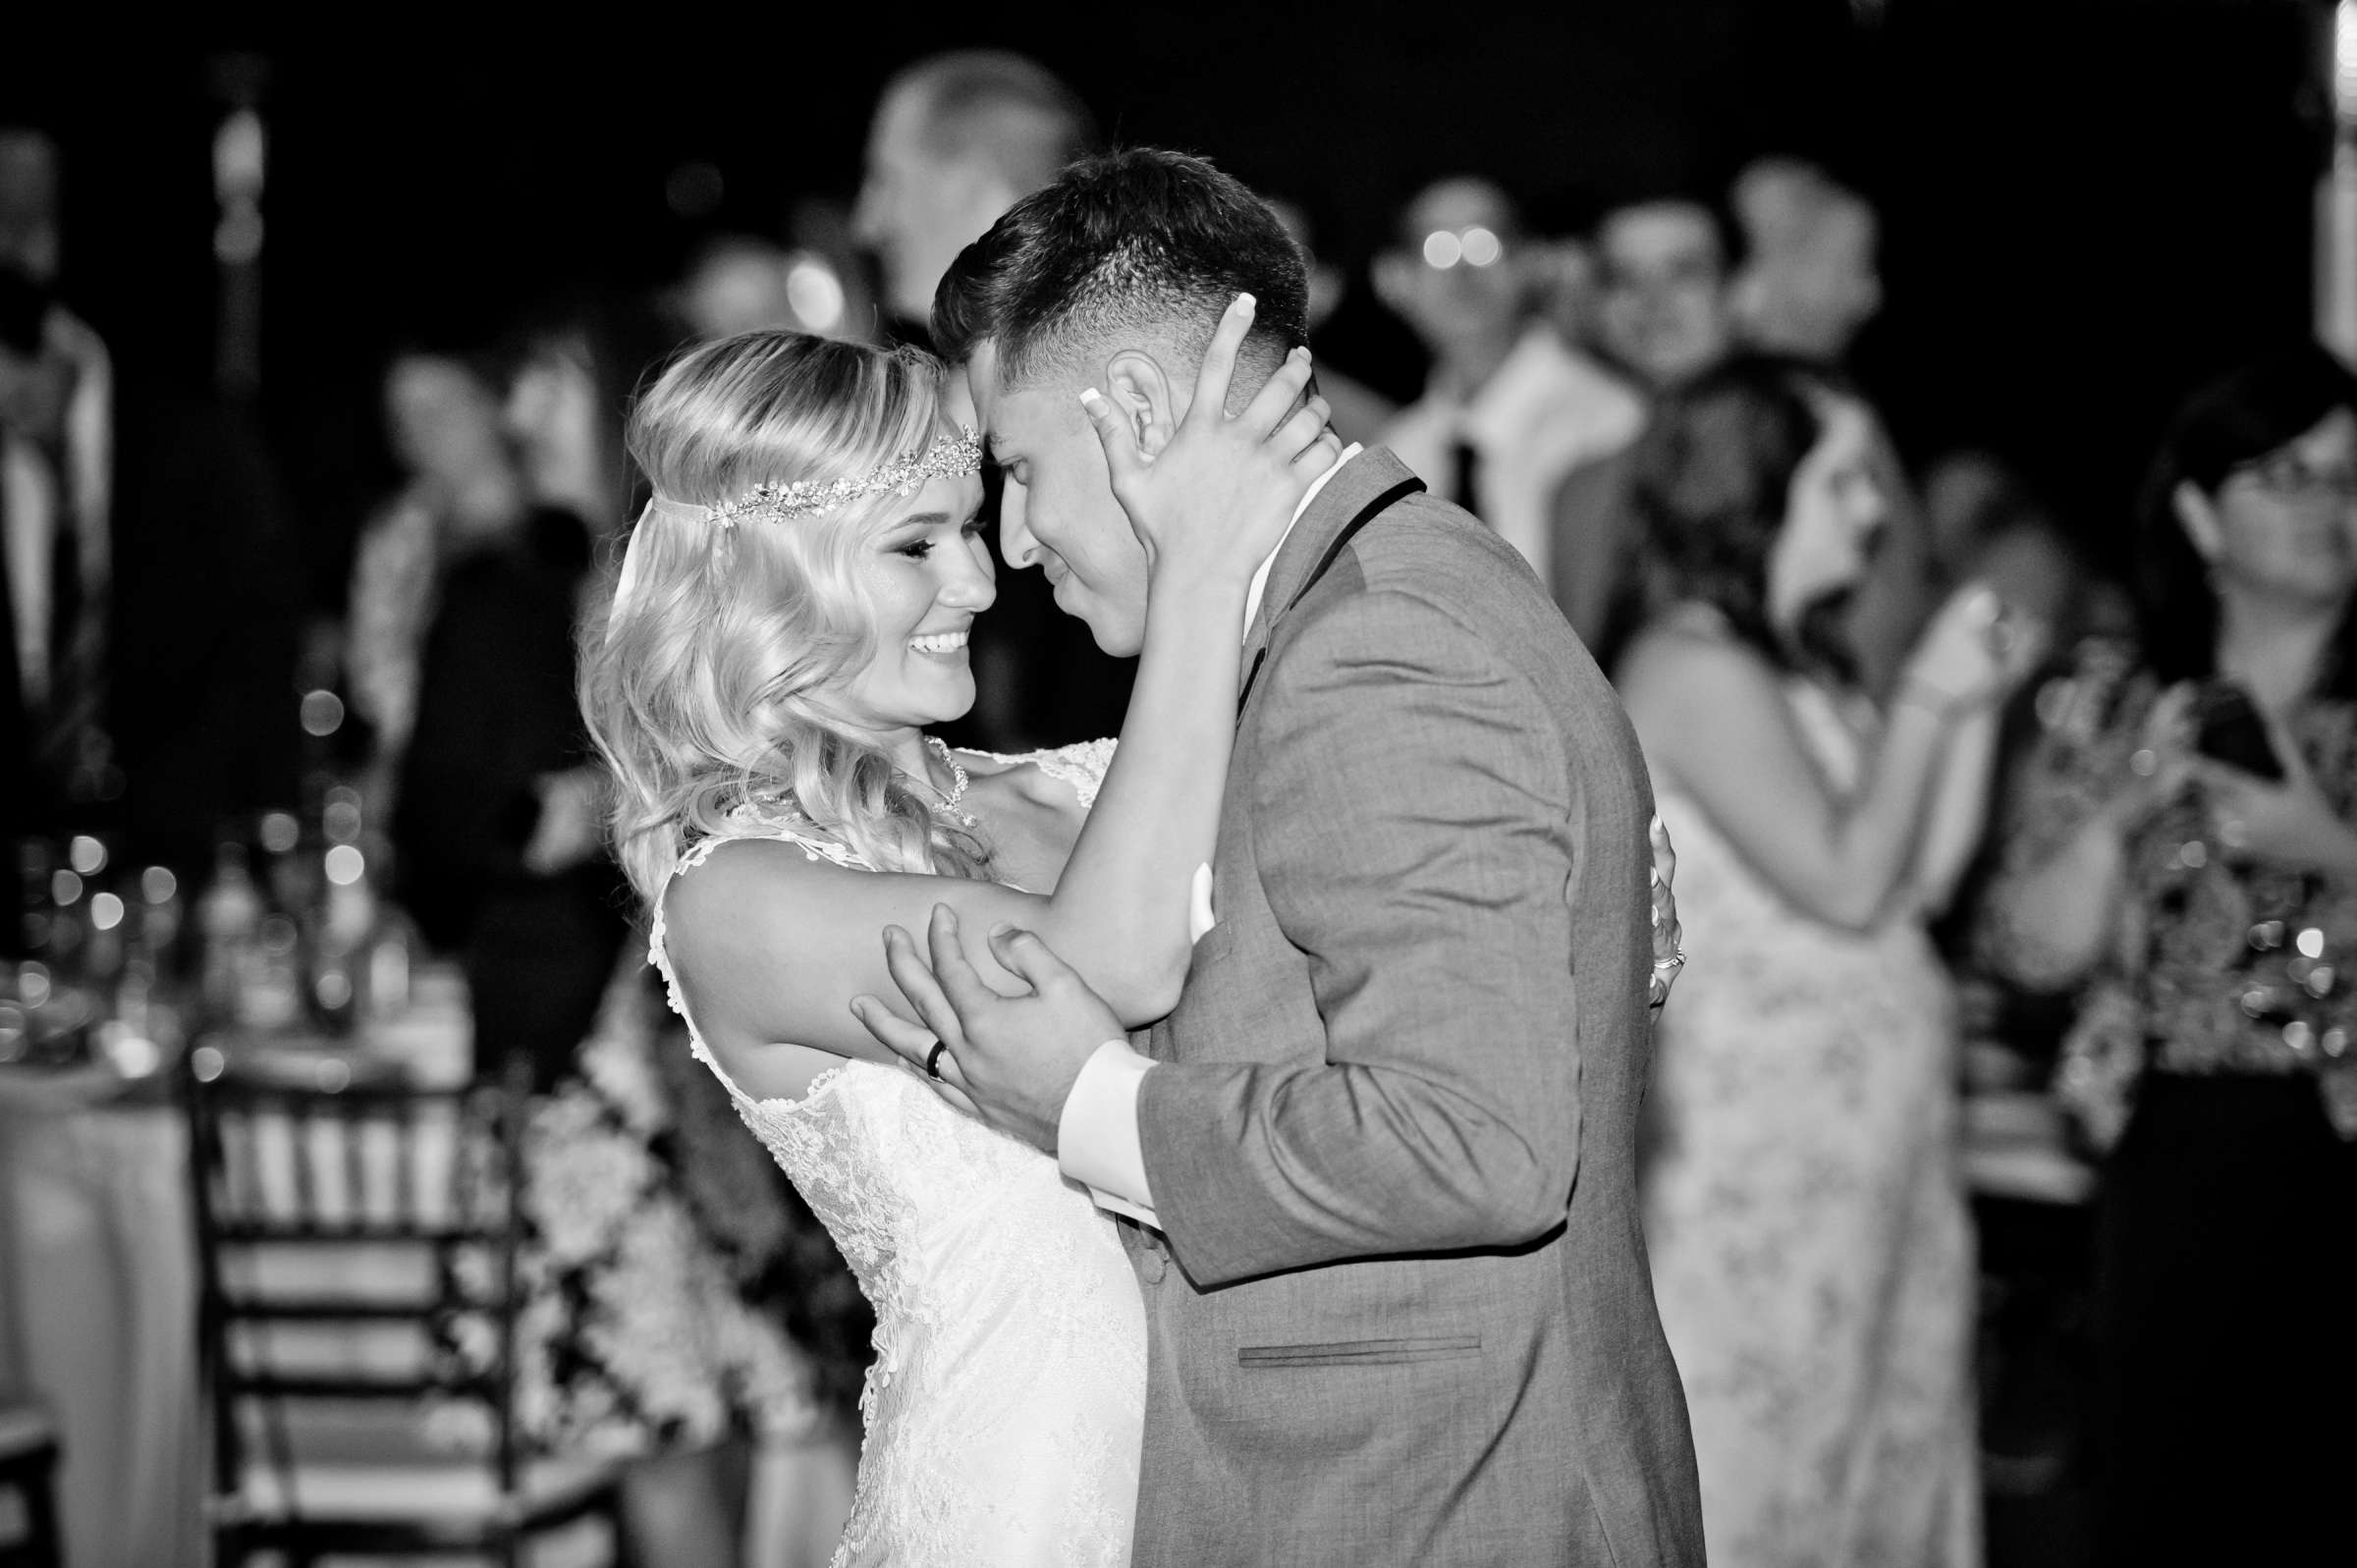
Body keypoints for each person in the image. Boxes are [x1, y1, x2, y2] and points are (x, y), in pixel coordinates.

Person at [858, 148, 1703, 1566]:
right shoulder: (1383, 594)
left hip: (1436, 1501)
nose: (1011, 541)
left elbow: (1475, 1145)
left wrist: (1090, 1102)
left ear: (1134, 412)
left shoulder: (1372, 648)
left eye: (1018, 471)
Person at [582, 312, 1343, 1563]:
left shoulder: (1078, 788)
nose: (982, 581)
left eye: (974, 525)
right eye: (915, 543)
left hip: (1246, 1456)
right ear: (779, 573)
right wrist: (1204, 571)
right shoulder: (741, 898)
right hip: (1026, 1481)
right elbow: (1107, 966)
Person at [1612, 355, 2045, 1568]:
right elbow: (1844, 882)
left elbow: (1918, 883)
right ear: (1756, 488)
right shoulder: (1689, 660)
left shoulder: (1803, 663)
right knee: (1769, 1456)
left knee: (1876, 1449)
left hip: (1869, 1134)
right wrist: (1925, 699)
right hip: (1765, 1146)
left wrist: (1963, 713)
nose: (1875, 507)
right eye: (1845, 474)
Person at [1973, 347, 2357, 1566]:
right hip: (2178, 1143)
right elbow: (2028, 951)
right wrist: (2125, 811)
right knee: (2180, 1497)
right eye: (2285, 474)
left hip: (2345, 1135)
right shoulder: (2122, 701)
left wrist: (2328, 846)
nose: (2326, 505)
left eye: (2349, 477)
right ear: (2198, 511)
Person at [853, 49, 1122, 752]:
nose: (867, 220)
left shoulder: (1105, 394)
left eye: (886, 179)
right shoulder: (913, 405)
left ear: (972, 188)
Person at [1372, 175, 1644, 594]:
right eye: (1437, 248)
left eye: (1484, 244)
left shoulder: (1606, 420)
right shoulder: (1396, 453)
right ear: (1394, 280)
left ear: (1531, 264)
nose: (1463, 272)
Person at [1546, 193, 1739, 651]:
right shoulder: (1583, 492)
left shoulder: (1817, 445)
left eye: (1684, 272)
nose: (1653, 301)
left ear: (1741, 290)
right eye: (1624, 279)